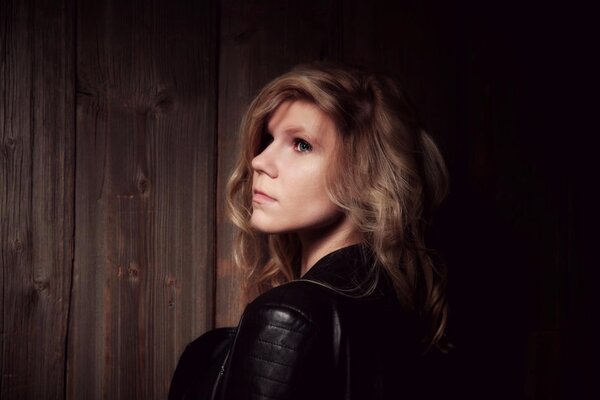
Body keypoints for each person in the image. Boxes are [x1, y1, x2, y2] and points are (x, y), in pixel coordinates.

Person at [220, 62, 450, 399]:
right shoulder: (394, 309)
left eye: (301, 145)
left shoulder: (288, 317)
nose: (259, 161)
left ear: (364, 174)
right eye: (269, 138)